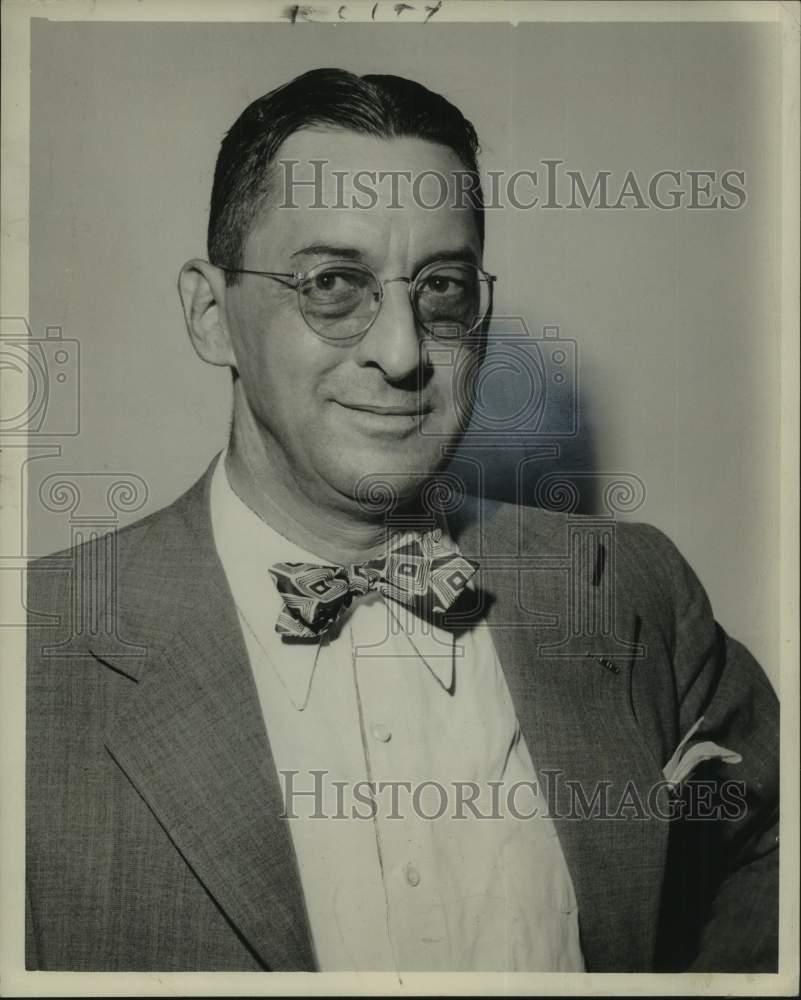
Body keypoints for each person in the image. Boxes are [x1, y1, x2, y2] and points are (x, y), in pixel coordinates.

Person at [25, 67, 779, 973]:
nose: (401, 351)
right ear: (210, 314)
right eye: (333, 283)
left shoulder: (632, 591)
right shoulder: (35, 654)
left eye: (441, 289)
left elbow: (774, 856)